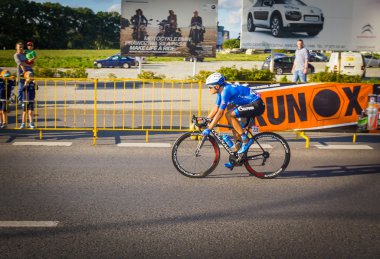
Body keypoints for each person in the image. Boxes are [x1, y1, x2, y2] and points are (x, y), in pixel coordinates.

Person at [202, 73, 265, 168]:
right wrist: (206, 119)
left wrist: (209, 128)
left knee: (229, 114)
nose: (209, 89)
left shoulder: (226, 91)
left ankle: (246, 139)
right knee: (235, 129)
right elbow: (216, 108)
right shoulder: (221, 91)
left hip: (257, 104)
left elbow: (220, 113)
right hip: (250, 104)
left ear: (217, 86)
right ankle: (237, 159)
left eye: (210, 87)